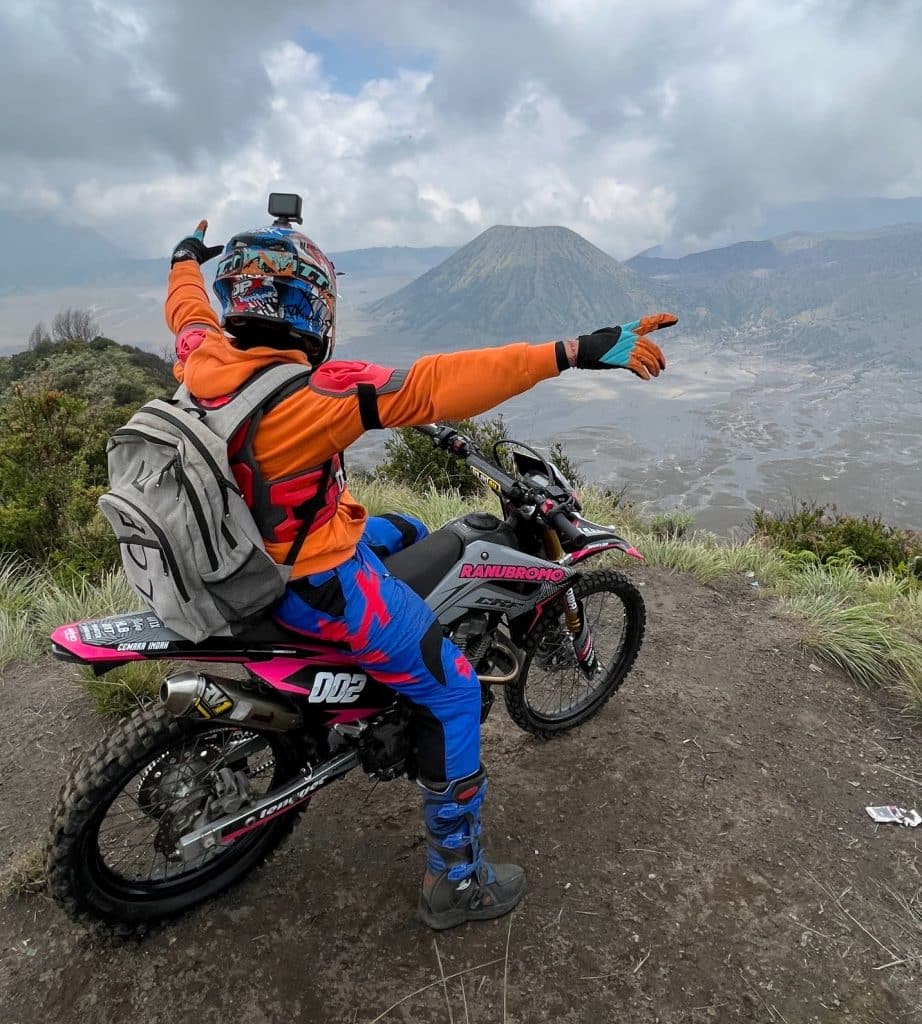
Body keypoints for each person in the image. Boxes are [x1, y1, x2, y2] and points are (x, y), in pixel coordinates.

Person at [167, 216, 677, 930]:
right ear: (312, 310)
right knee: (456, 692)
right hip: (310, 587)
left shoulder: (202, 357)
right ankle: (456, 882)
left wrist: (184, 258)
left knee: (407, 529)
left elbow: (186, 309)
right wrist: (575, 350)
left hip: (245, 552)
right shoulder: (312, 398)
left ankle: (373, 686)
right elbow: (440, 382)